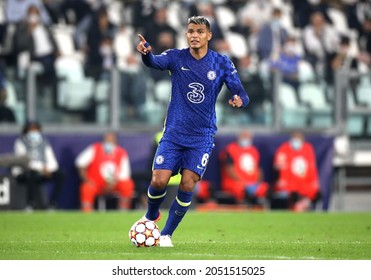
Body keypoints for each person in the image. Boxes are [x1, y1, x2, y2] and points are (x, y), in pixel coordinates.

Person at [136, 15, 249, 247]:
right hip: (174, 133)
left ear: (209, 35)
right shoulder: (176, 57)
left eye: (199, 31)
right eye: (190, 31)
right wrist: (146, 53)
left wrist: (239, 100)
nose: (194, 35)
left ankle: (166, 234)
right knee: (158, 180)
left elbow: (242, 93)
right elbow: (154, 62)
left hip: (202, 136)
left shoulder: (221, 63)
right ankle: (151, 216)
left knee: (187, 183)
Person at [75, 131, 135, 212]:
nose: (109, 143)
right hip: (96, 183)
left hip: (114, 184)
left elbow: (124, 175)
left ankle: (123, 211)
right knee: (87, 187)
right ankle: (87, 212)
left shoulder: (121, 152)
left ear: (115, 141)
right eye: (107, 140)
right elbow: (80, 163)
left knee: (127, 184)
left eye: (111, 141)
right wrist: (86, 179)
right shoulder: (95, 148)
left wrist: (112, 183)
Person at [12, 120, 64, 210]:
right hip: (25, 172)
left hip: (43, 171)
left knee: (61, 175)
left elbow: (52, 160)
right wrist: (42, 168)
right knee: (32, 174)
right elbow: (25, 161)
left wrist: (49, 169)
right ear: (26, 130)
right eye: (31, 130)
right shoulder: (20, 142)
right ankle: (30, 204)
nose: (34, 132)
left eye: (36, 129)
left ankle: (52, 204)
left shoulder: (44, 142)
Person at [219, 130, 268, 208]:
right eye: (244, 136)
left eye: (248, 137)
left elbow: (258, 169)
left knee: (264, 189)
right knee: (241, 189)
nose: (246, 139)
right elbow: (229, 170)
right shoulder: (230, 149)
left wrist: (257, 183)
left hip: (252, 183)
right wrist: (244, 182)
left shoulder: (254, 150)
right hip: (235, 183)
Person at [273, 132, 321, 212]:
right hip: (289, 183)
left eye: (298, 140)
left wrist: (315, 181)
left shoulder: (308, 149)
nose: (296, 143)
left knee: (314, 191)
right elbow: (278, 165)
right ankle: (295, 206)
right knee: (286, 190)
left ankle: (303, 204)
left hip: (304, 183)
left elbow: (312, 167)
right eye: (295, 140)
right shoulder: (285, 148)